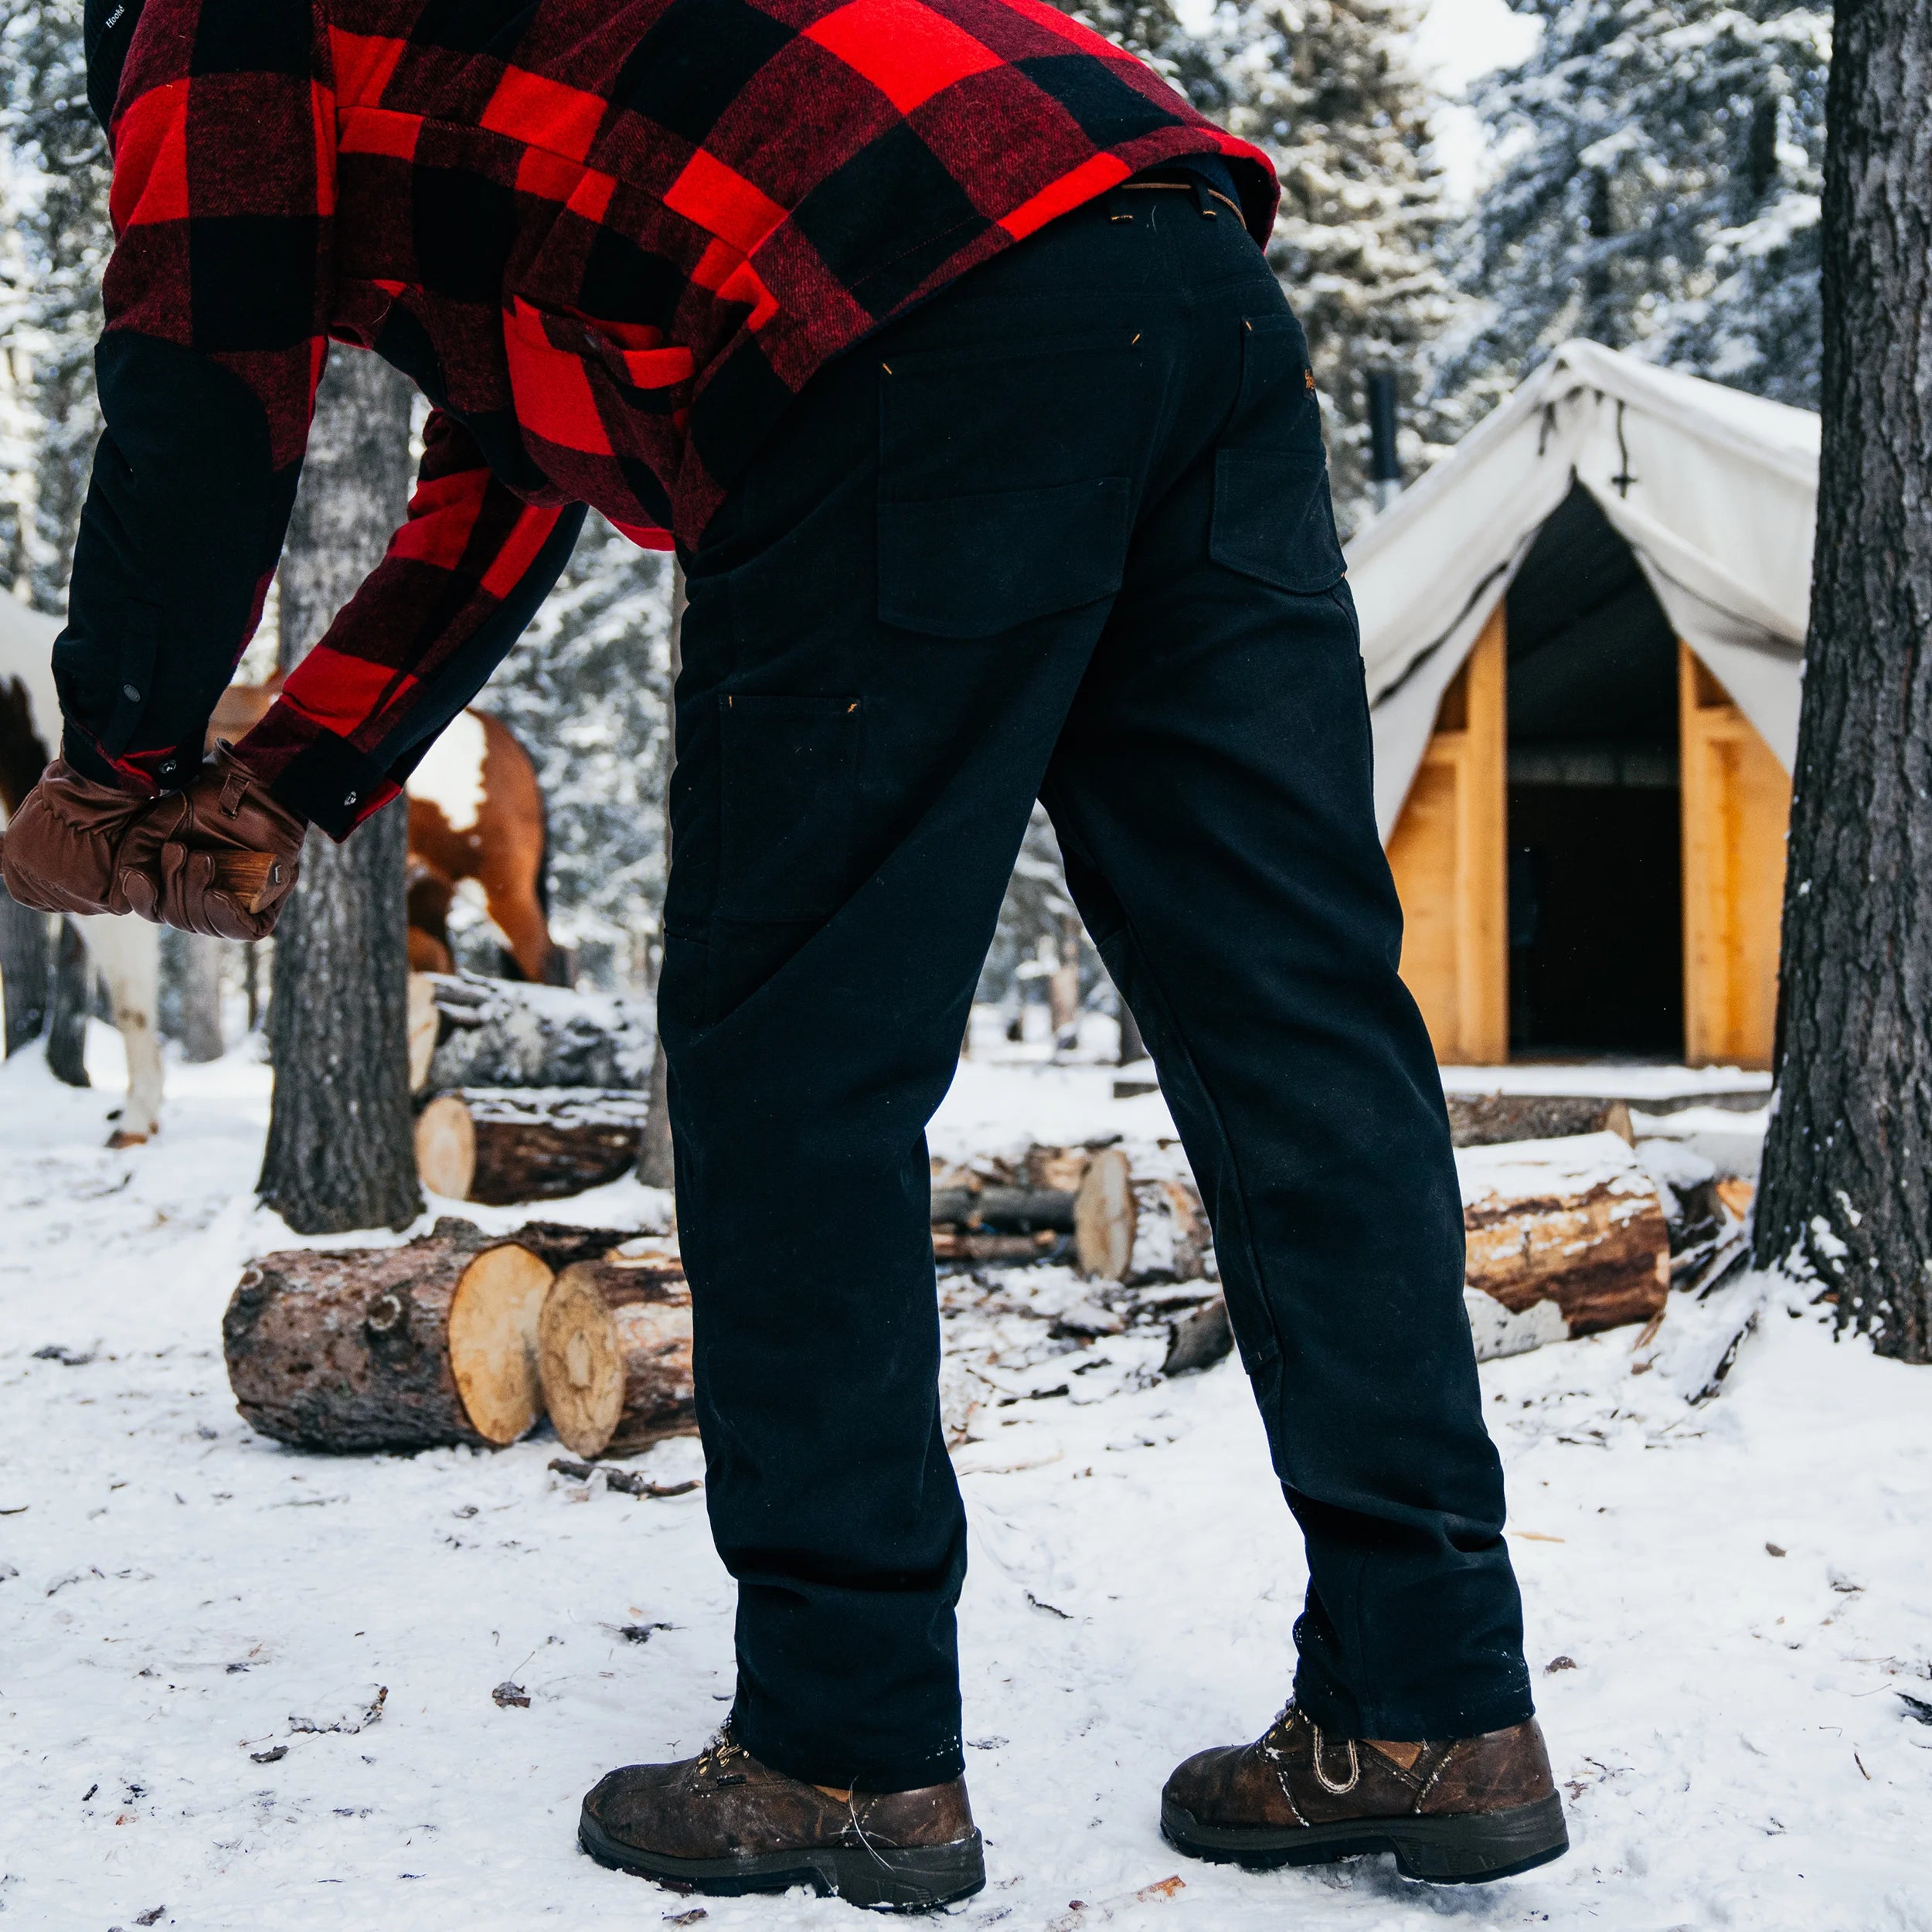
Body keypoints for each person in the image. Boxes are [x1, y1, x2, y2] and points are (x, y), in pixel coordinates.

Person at [2, 0, 1566, 1909]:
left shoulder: (206, 19)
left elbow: (198, 371)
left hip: (900, 321)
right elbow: (496, 490)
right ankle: (1429, 1701)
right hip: (1168, 253)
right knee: (1293, 1015)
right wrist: (290, 776)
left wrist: (116, 759)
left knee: (790, 1065)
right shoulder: (513, 72)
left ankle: (845, 1742)